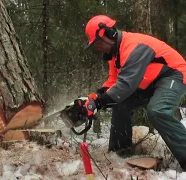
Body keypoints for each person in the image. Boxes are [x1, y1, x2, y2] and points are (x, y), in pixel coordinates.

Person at [76, 15, 186, 171]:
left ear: (110, 34)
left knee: (157, 110)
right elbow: (113, 81)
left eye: (99, 43)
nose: (98, 48)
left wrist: (99, 103)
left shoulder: (134, 46)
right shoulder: (115, 55)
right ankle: (120, 152)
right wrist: (96, 96)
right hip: (151, 81)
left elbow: (126, 85)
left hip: (173, 74)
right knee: (120, 102)